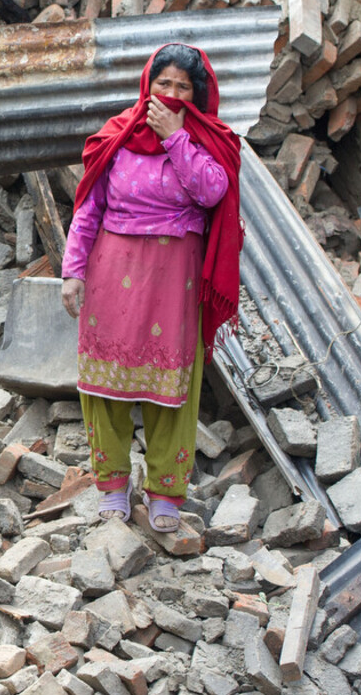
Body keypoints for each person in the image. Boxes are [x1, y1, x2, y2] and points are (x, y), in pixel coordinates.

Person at [58, 43, 243, 533]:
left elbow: (212, 191)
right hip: (111, 273)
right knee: (107, 386)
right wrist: (72, 271)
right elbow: (89, 209)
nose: (172, 94)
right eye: (164, 84)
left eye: (184, 87)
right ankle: (113, 485)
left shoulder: (206, 140)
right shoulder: (116, 136)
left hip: (173, 279)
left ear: (197, 95)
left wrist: (176, 138)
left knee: (170, 390)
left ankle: (165, 492)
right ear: (148, 84)